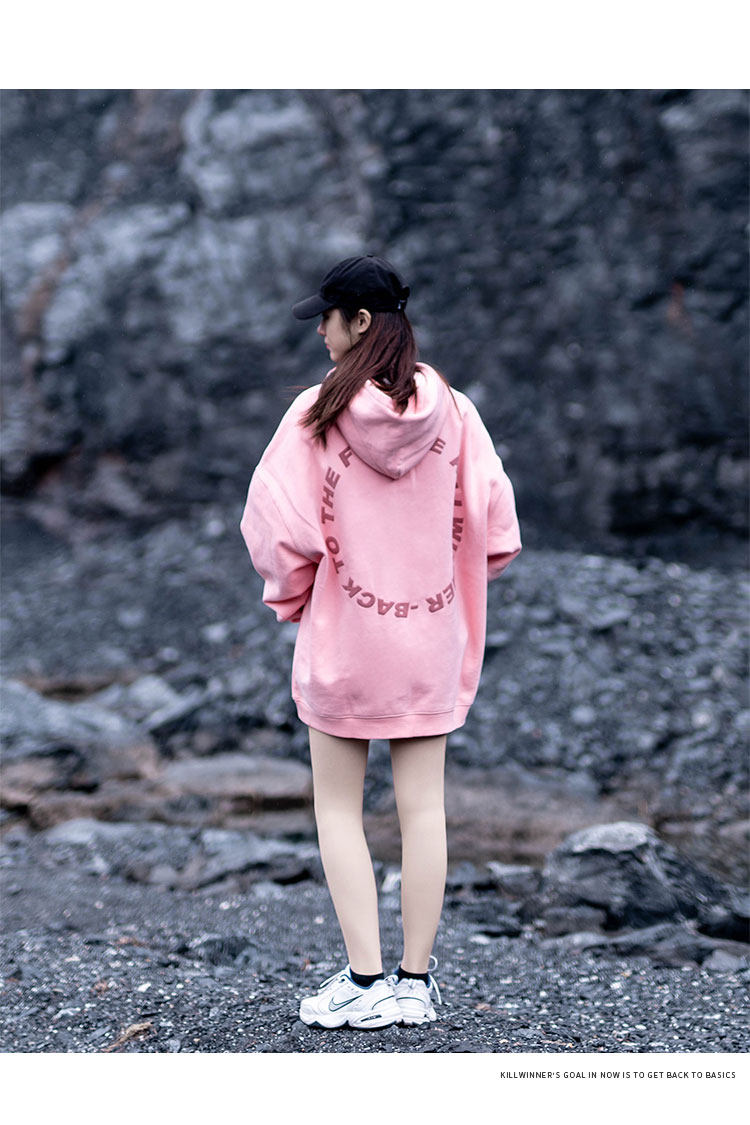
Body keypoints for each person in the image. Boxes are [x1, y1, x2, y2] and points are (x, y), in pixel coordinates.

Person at [240, 253, 521, 1030]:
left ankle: (364, 979)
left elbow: (274, 528)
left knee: (338, 808)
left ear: (360, 321)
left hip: (346, 644)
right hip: (430, 642)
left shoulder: (315, 413)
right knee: (424, 810)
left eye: (327, 318)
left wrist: (297, 594)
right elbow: (498, 528)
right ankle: (414, 984)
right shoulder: (457, 412)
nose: (320, 333)